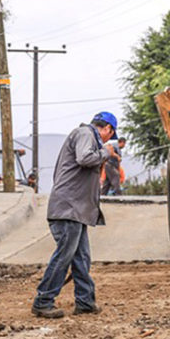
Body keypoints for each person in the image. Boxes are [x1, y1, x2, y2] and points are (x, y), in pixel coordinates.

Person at [31, 112, 119, 318]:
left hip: (75, 210)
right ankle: (43, 301)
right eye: (110, 136)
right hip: (68, 209)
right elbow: (85, 158)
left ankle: (85, 301)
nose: (109, 140)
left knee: (81, 258)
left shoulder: (85, 136)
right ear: (107, 129)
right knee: (64, 256)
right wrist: (106, 152)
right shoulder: (85, 133)